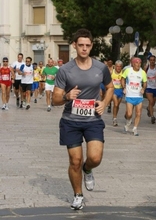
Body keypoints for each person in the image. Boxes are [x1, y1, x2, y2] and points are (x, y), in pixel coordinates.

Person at [52, 28, 114, 210]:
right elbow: (56, 99)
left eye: (87, 45)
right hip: (70, 120)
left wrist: (104, 102)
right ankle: (78, 195)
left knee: (94, 158)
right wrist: (66, 96)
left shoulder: (100, 68)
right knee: (75, 161)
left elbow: (110, 87)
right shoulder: (65, 70)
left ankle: (88, 170)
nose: (84, 49)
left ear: (92, 46)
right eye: (81, 45)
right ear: (74, 46)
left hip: (93, 120)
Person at [121, 57, 147, 136]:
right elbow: (122, 79)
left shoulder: (142, 72)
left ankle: (135, 128)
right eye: (136, 63)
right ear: (132, 64)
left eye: (139, 63)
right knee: (129, 114)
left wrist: (143, 88)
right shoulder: (128, 71)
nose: (138, 65)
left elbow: (145, 82)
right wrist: (124, 87)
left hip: (139, 96)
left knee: (138, 113)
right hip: (129, 95)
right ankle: (128, 122)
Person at [111, 60, 124, 126]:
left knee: (117, 105)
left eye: (120, 66)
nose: (118, 68)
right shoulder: (112, 72)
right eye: (117, 66)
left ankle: (115, 116)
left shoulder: (123, 73)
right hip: (114, 90)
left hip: (120, 90)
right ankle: (114, 118)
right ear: (115, 66)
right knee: (115, 104)